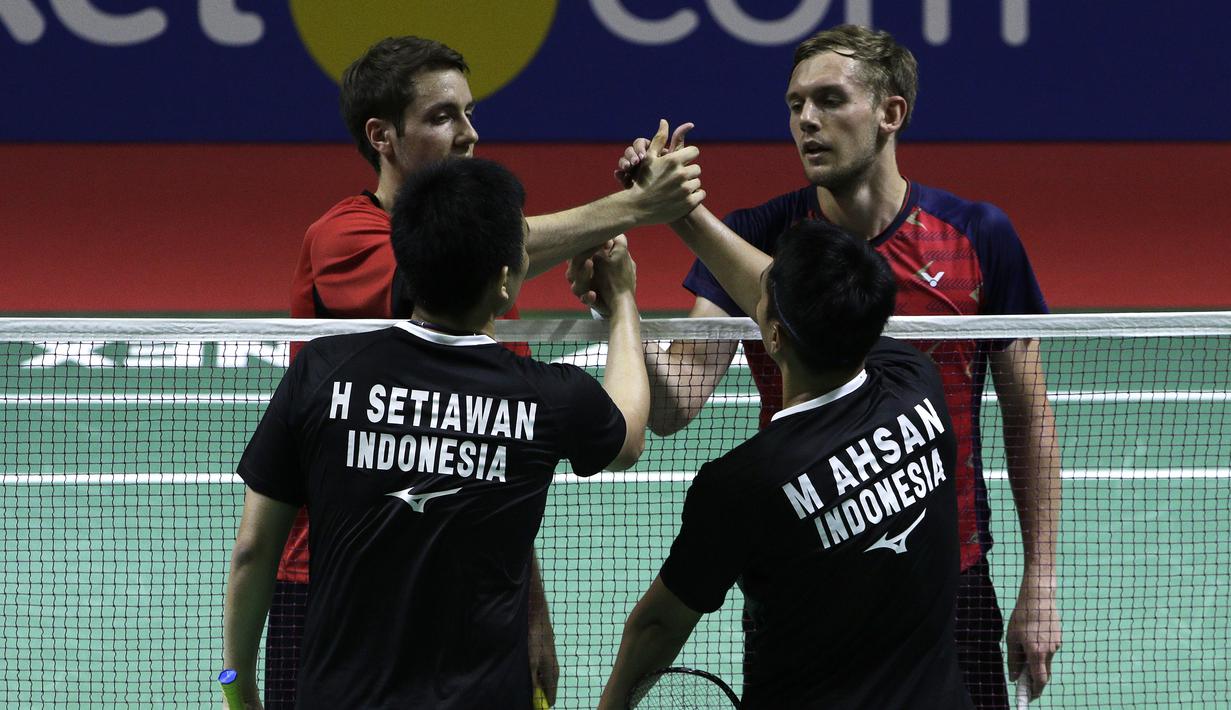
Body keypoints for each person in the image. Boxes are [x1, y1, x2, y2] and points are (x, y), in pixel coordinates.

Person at [577, 23, 1061, 708]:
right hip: (803, 582)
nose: (805, 119)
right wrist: (616, 304)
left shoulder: (978, 237)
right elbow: (675, 402)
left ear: (891, 113)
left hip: (946, 578)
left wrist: (1038, 582)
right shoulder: (755, 235)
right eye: (794, 103)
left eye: (830, 100)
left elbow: (1027, 415)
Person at [275, 36, 703, 707]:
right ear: (381, 136)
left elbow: (497, 476)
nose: (470, 134)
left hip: (473, 597)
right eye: (444, 117)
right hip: (331, 583)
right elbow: (474, 250)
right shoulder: (344, 239)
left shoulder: (483, 306)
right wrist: (634, 209)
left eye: (469, 113)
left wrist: (533, 615)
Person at [224, 157, 652, 707]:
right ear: (504, 282)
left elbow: (254, 551)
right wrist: (621, 303)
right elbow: (629, 432)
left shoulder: (321, 372)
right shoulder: (545, 397)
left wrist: (237, 685)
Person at [599, 221, 971, 709]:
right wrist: (684, 213)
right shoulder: (915, 381)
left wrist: (621, 300)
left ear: (772, 335)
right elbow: (824, 309)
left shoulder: (744, 484)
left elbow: (658, 625)